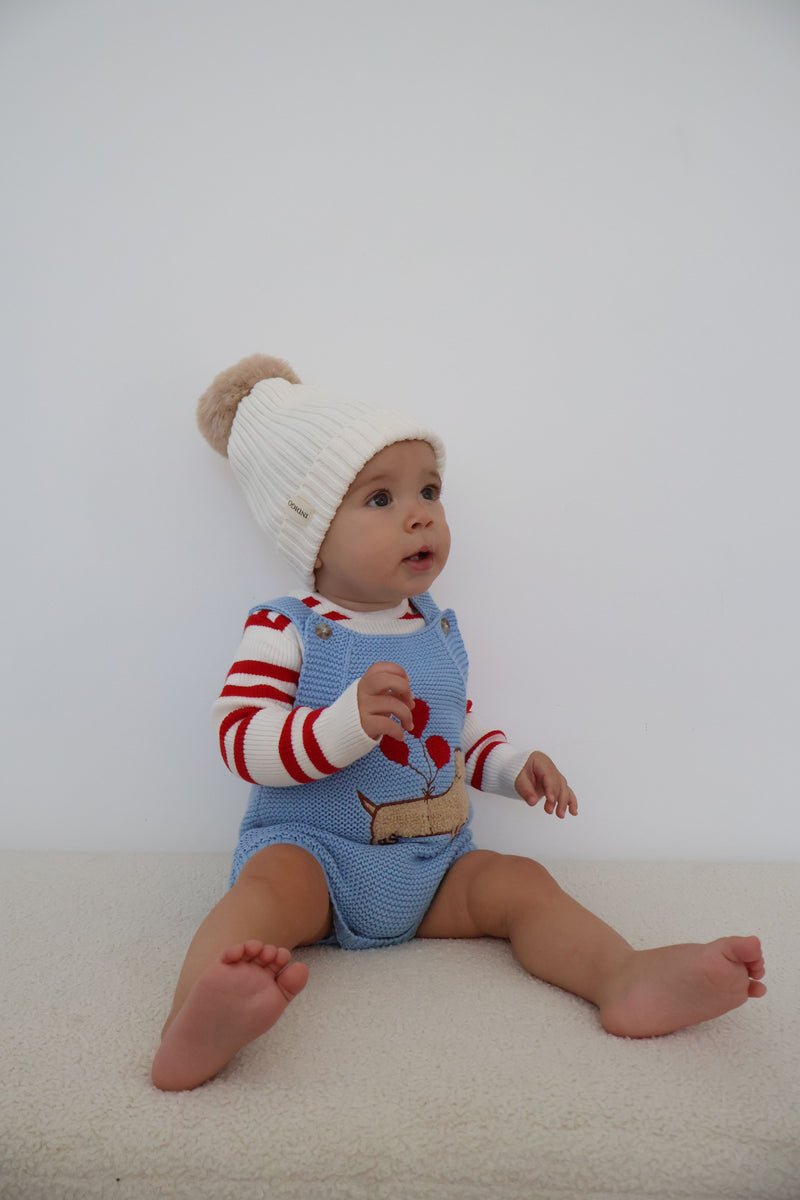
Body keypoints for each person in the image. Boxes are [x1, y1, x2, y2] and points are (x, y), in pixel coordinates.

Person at [151, 354, 766, 1092]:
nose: (420, 514)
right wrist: (342, 726)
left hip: (434, 867)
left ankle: (623, 976)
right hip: (316, 861)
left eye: (429, 491)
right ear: (310, 531)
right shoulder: (287, 629)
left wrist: (510, 766)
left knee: (520, 881)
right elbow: (238, 739)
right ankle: (194, 1022)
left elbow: (453, 732)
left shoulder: (434, 628)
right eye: (380, 498)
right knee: (260, 896)